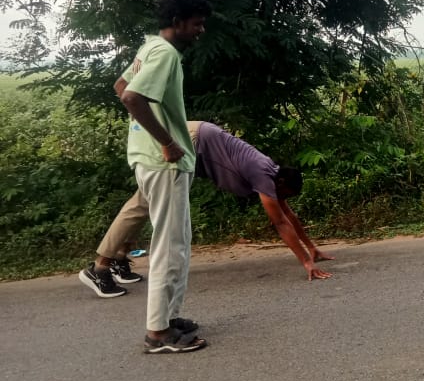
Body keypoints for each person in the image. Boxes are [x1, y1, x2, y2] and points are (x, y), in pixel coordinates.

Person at [79, 121, 333, 299]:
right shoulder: (264, 176)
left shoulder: (271, 173)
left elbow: (288, 215)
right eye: (284, 195)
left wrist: (311, 247)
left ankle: (119, 258)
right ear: (281, 184)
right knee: (143, 203)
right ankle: (100, 267)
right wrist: (306, 263)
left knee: (143, 203)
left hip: (193, 138)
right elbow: (280, 223)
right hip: (188, 141)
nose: (281, 199)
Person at [101, 0, 209, 353]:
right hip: (163, 163)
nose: (201, 30)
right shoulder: (165, 53)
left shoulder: (150, 47)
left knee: (177, 242)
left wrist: (147, 134)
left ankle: (168, 317)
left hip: (147, 159)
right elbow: (131, 97)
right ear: (178, 22)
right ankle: (158, 333)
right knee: (169, 246)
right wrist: (164, 140)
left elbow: (121, 85)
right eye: (197, 23)